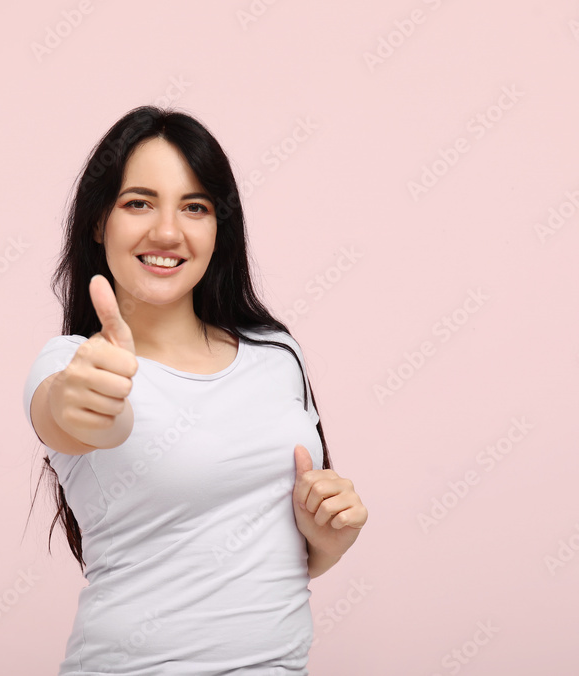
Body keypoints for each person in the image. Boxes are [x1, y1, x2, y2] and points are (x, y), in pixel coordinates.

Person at [24, 105, 367, 675]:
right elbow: (72, 414)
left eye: (195, 207)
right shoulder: (72, 364)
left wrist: (328, 536)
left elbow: (270, 554)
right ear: (97, 222)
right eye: (138, 203)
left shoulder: (276, 354)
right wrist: (87, 401)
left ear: (217, 228)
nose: (167, 231)